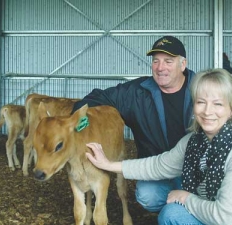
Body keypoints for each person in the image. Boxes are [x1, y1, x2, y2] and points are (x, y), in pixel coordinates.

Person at [85, 68, 232, 225]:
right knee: (171, 214)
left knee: (179, 206)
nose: (207, 111)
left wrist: (187, 198)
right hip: (227, 217)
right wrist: (109, 164)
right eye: (201, 102)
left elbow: (225, 217)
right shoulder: (195, 141)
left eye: (218, 104)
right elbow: (159, 165)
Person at [72, 36, 196, 212]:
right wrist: (79, 119)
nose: (160, 68)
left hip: (197, 171)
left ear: (183, 64)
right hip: (157, 169)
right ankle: (177, 208)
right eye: (156, 61)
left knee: (202, 197)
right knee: (147, 195)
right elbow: (97, 97)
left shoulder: (201, 88)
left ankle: (186, 208)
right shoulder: (137, 92)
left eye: (168, 61)